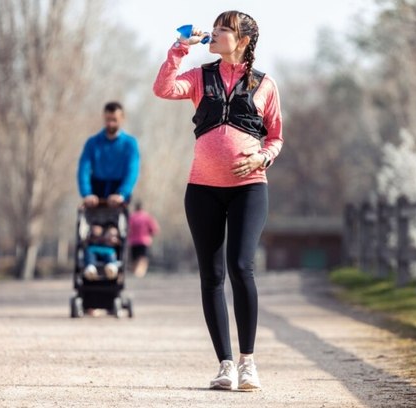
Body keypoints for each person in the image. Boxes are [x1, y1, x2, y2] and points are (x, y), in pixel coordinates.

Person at [153, 10, 283, 391]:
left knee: (241, 266)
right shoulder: (200, 77)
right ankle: (225, 365)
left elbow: (275, 137)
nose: (215, 32)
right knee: (212, 276)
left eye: (224, 29)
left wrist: (264, 156)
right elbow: (163, 88)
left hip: (250, 187)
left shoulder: (264, 84)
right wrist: (179, 48)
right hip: (202, 190)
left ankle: (248, 363)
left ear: (242, 40)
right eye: (217, 26)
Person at [77, 102, 140, 208]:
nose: (110, 124)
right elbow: (84, 169)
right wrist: (87, 193)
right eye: (108, 120)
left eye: (114, 120)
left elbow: (132, 171)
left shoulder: (130, 144)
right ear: (104, 118)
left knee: (113, 225)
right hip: (96, 190)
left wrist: (122, 193)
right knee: (95, 225)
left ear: (122, 119)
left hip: (118, 189)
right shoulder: (92, 143)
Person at [127, 201, 160, 278]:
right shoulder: (147, 217)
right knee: (142, 258)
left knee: (134, 258)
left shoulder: (132, 217)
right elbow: (154, 229)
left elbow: (127, 229)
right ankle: (140, 274)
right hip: (144, 241)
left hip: (133, 241)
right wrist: (150, 235)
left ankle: (135, 273)